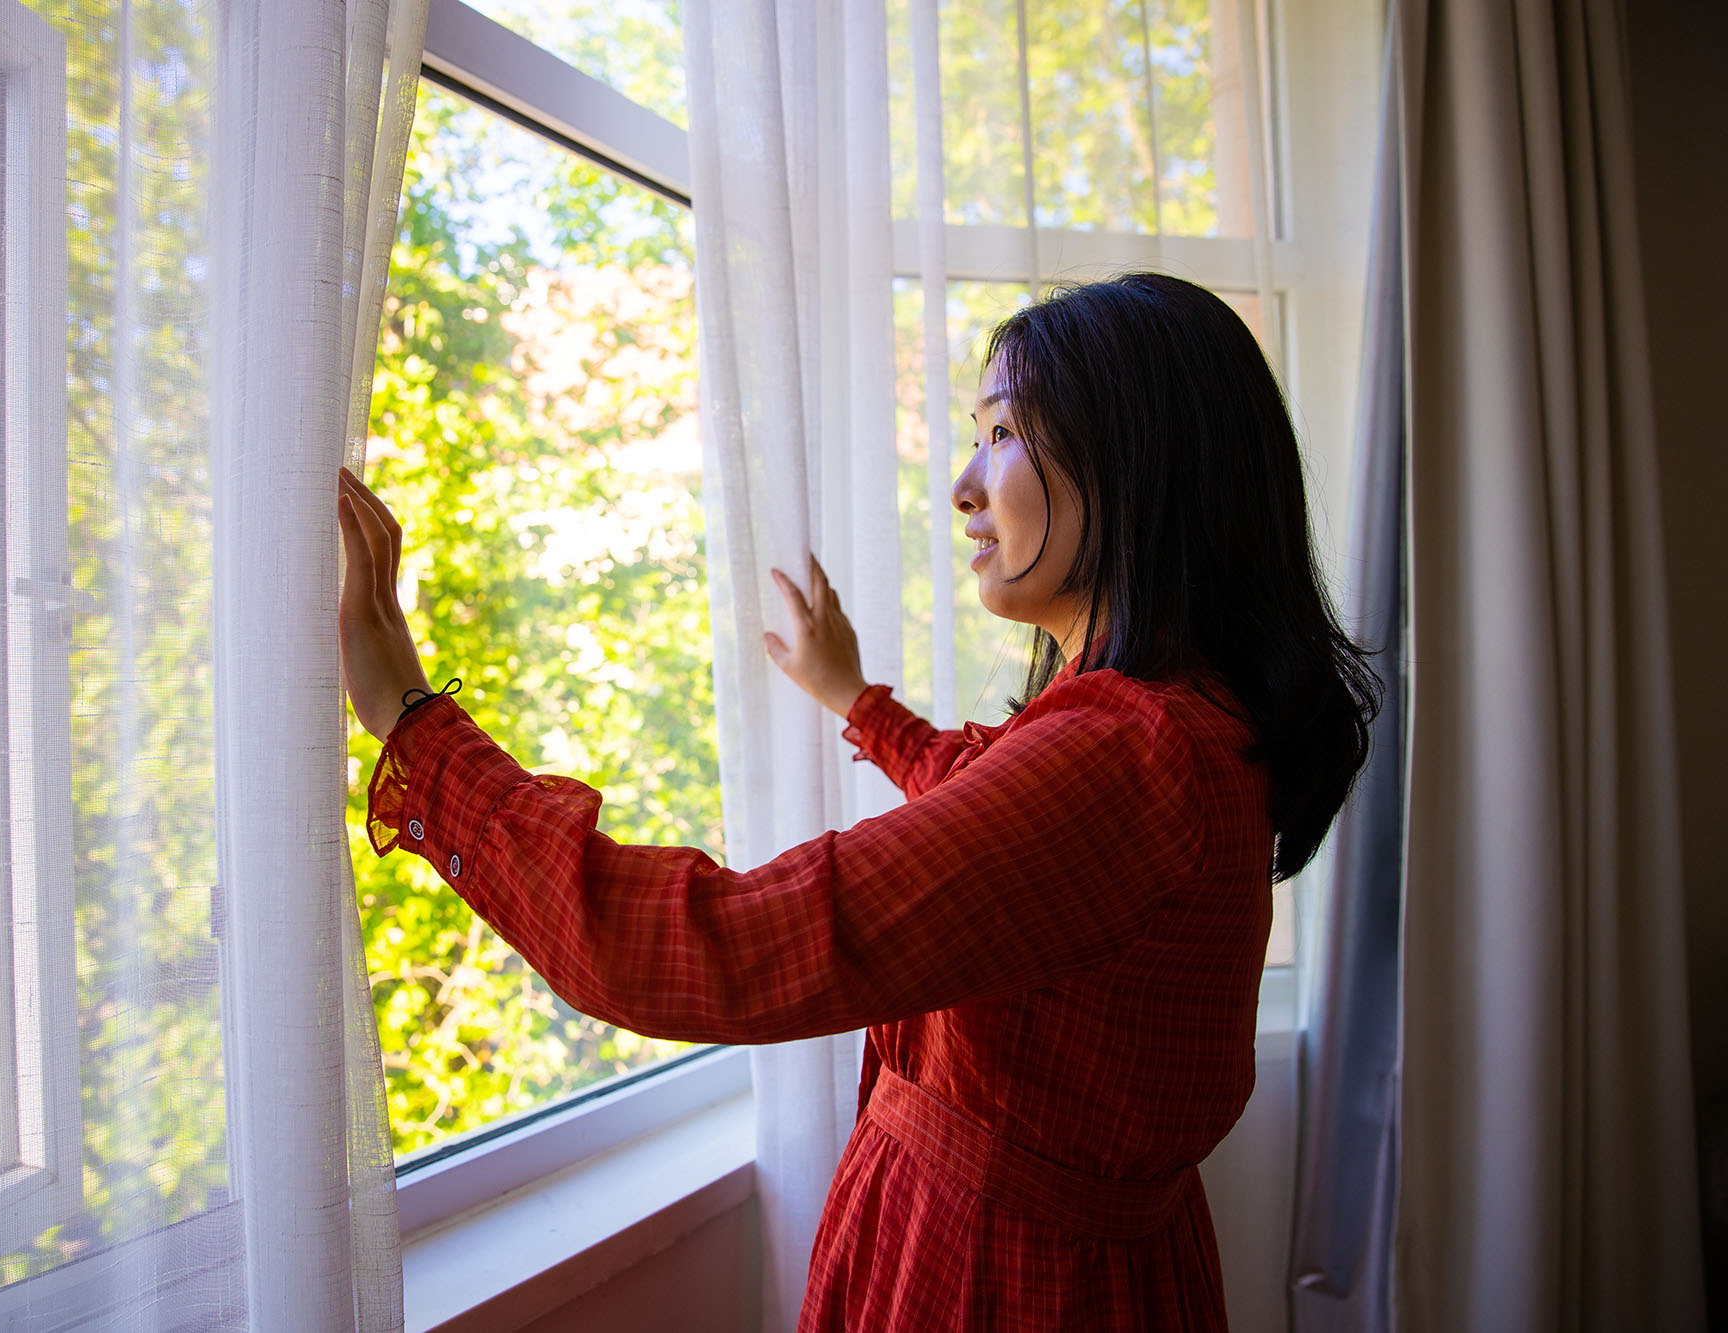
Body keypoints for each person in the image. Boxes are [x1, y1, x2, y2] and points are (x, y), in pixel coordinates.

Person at [335, 271, 1378, 1331]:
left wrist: (417, 731)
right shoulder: (1176, 725)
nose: (964, 484)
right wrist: (857, 699)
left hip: (991, 1282)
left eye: (1006, 432)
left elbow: (725, 947)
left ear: (1136, 461)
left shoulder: (1127, 753)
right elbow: (993, 816)